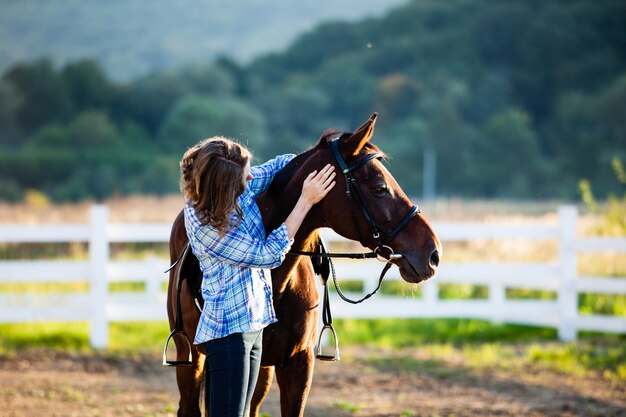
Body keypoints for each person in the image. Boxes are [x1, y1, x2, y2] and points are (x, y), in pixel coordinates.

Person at [179, 136, 336, 417]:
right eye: (244, 175)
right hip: (228, 333)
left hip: (252, 325)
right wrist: (305, 201)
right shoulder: (206, 226)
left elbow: (275, 167)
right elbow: (268, 254)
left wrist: (321, 157)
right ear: (225, 187)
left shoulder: (238, 187)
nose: (251, 176)